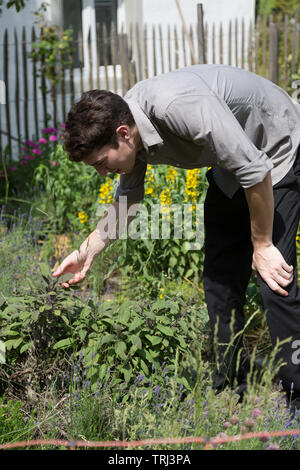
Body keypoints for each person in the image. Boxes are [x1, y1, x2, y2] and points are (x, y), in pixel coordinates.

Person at [52, 64, 300, 413]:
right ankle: (232, 387)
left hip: (276, 148)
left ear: (122, 134)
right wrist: (86, 250)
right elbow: (128, 201)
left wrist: (262, 246)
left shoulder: (175, 106)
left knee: (274, 281)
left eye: (100, 163)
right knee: (218, 280)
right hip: (235, 165)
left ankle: (297, 399)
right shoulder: (132, 131)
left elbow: (256, 169)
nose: (102, 172)